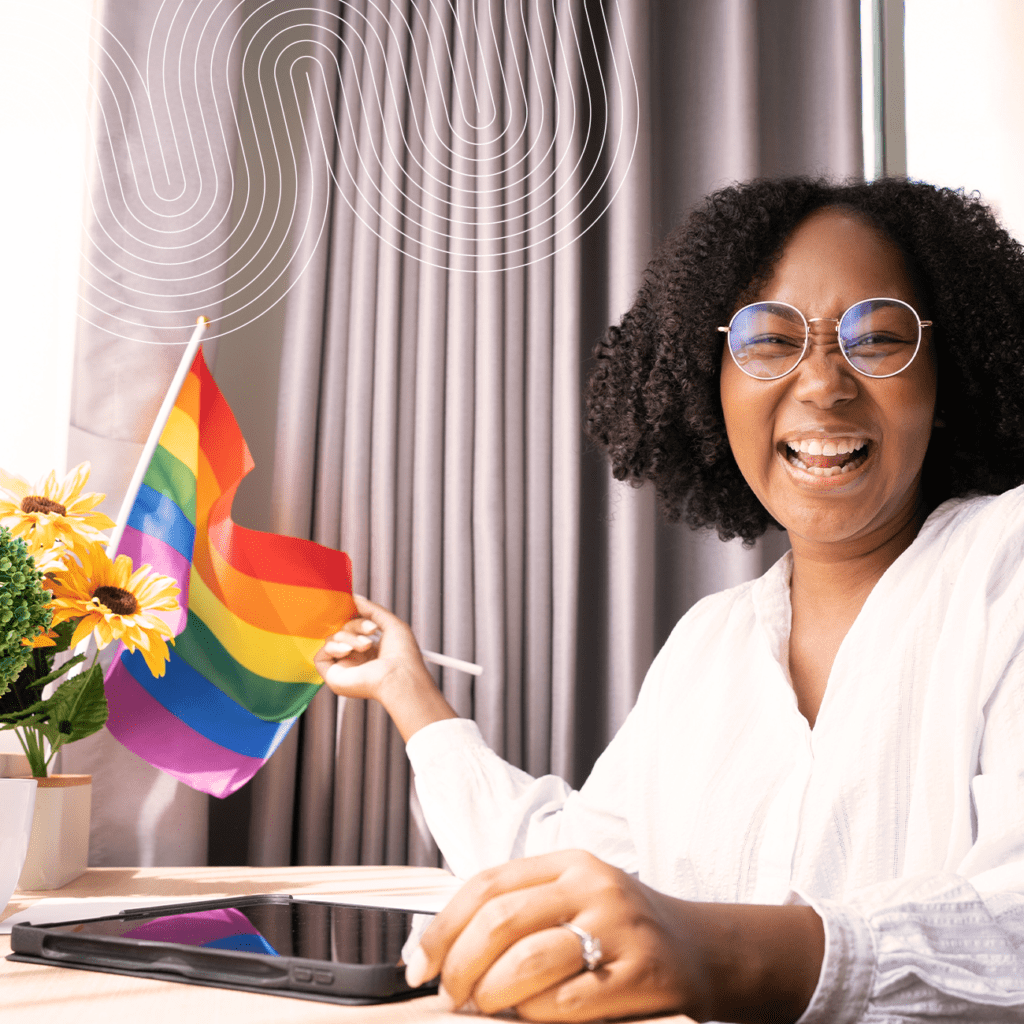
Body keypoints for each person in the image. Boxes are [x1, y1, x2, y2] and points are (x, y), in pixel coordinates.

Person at [314, 177, 1024, 1022]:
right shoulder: (708, 645)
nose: (824, 384)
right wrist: (408, 691)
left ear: (947, 379)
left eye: (877, 339)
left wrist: (711, 951)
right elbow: (577, 868)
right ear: (708, 385)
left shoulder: (1005, 565)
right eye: (768, 341)